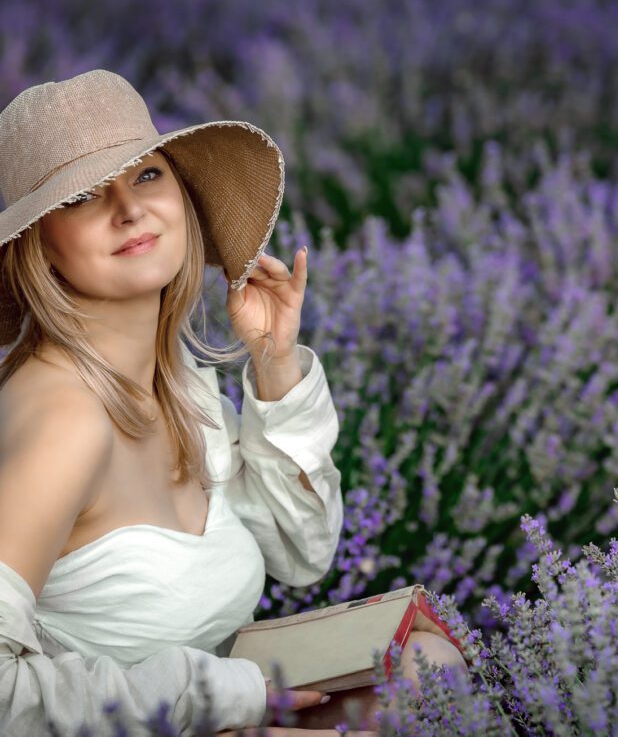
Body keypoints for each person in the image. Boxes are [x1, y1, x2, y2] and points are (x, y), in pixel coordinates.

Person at [0, 70, 468, 736]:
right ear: (40, 245)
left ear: (183, 197)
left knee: (429, 668)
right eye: (81, 196)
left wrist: (275, 363)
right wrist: (221, 697)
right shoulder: (62, 419)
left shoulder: (176, 379)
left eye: (146, 175)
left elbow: (299, 556)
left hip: (215, 709)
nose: (127, 208)